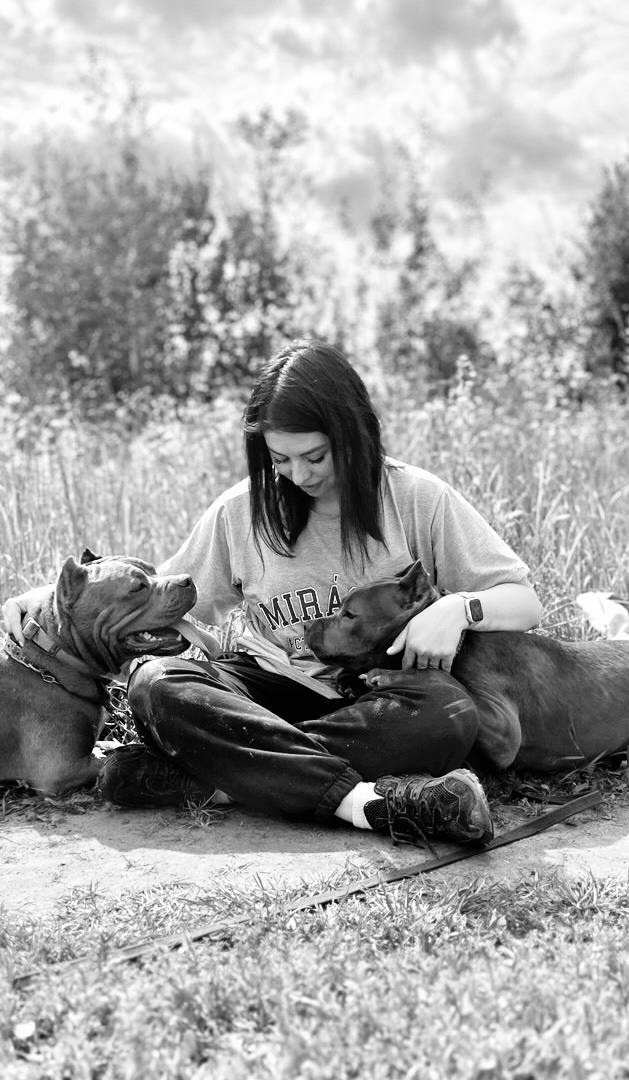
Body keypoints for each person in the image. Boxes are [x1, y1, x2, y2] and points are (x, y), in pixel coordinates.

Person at [3, 340, 541, 848]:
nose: (297, 475)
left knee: (448, 711)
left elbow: (522, 600)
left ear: (354, 435)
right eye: (279, 460)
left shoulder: (418, 500)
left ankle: (218, 774)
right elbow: (154, 601)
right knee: (155, 683)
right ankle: (367, 802)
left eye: (314, 456)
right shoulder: (241, 512)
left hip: (376, 701)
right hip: (266, 690)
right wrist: (46, 602)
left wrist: (459, 607)